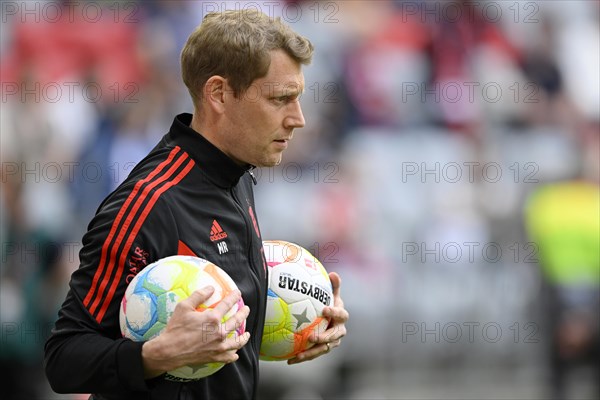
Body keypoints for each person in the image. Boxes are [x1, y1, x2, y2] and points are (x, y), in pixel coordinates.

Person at [44, 10, 349, 400]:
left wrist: (300, 321)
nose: (299, 119)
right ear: (219, 93)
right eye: (280, 99)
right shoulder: (148, 204)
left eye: (298, 98)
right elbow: (63, 359)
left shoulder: (238, 175)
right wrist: (156, 356)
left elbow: (211, 339)